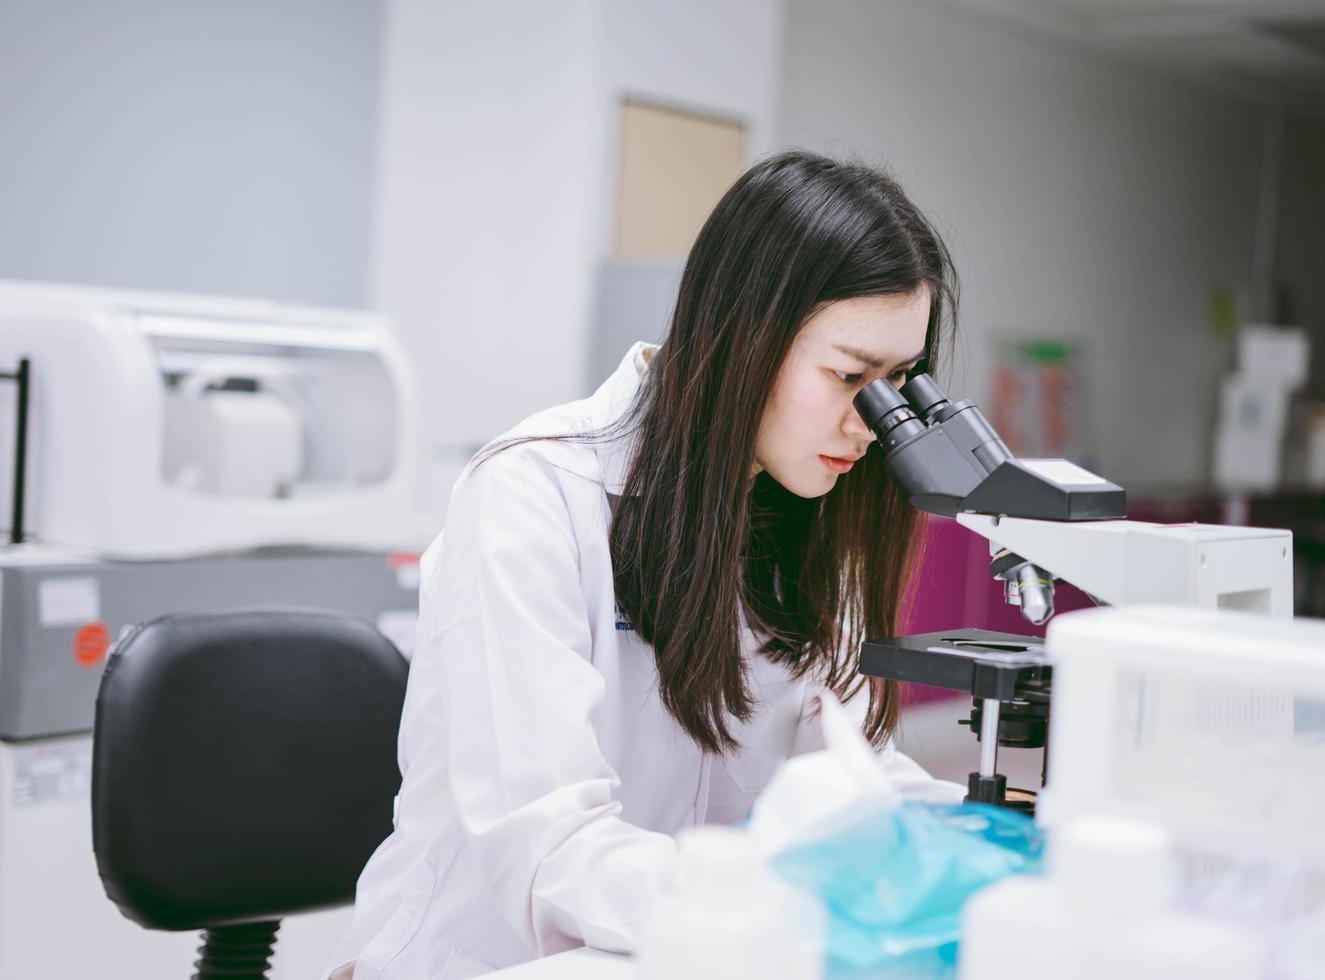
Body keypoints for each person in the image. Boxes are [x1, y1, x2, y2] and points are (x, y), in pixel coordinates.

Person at [327, 150, 965, 980]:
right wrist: (762, 905)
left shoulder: (800, 512)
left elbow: (849, 776)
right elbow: (548, 846)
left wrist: (995, 848)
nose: (872, 423)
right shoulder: (534, 493)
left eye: (899, 382)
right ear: (746, 335)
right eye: (849, 377)